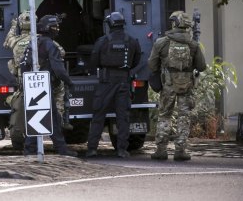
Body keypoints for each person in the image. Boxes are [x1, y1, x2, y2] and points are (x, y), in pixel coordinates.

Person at [148, 11, 206, 161]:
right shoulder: (193, 44)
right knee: (184, 117)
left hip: (168, 85)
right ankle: (180, 151)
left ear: (173, 23)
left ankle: (161, 150)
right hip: (186, 86)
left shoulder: (162, 43)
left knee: (164, 116)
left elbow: (152, 64)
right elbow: (201, 66)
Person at [86, 12, 142, 159]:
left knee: (98, 115)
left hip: (106, 81)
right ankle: (122, 150)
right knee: (123, 117)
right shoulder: (132, 41)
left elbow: (94, 61)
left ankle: (92, 149)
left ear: (110, 24)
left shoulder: (102, 41)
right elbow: (136, 60)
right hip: (124, 81)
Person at [23, 15, 77, 157]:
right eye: (55, 27)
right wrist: (69, 82)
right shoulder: (50, 45)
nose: (57, 29)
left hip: (33, 86)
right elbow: (58, 68)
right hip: (45, 86)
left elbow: (23, 65)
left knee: (38, 117)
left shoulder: (33, 43)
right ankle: (60, 149)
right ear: (49, 28)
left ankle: (31, 149)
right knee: (52, 117)